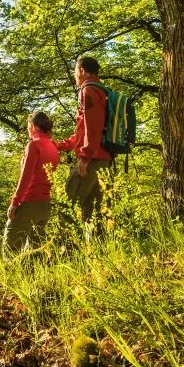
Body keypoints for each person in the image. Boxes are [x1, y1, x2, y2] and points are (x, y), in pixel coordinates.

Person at [56, 57, 112, 238]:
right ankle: (99, 252)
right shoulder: (102, 91)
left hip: (92, 159)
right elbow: (84, 129)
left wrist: (85, 157)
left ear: (81, 70)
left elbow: (93, 127)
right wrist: (62, 145)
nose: (74, 76)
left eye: (75, 71)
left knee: (67, 202)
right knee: (93, 209)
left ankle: (68, 251)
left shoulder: (88, 91)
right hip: (102, 157)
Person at [3, 111, 60, 253]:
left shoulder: (33, 145)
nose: (28, 129)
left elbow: (26, 176)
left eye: (28, 126)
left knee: (10, 249)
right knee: (34, 253)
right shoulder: (53, 146)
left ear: (33, 126)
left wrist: (15, 203)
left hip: (29, 203)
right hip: (45, 206)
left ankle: (9, 276)